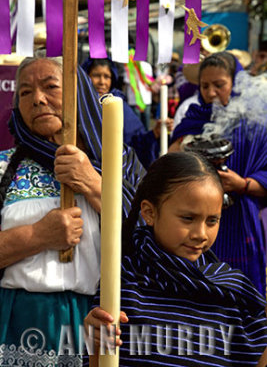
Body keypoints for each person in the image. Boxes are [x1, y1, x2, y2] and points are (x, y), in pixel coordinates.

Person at [0, 54, 146, 365]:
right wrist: (37, 235)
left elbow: (154, 237)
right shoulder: (3, 167)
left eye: (50, 86)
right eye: (25, 92)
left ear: (78, 92)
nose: (38, 99)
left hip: (100, 323)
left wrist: (95, 184)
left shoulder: (119, 163)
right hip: (15, 321)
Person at [84, 152, 267, 367]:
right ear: (149, 213)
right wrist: (96, 343)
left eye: (212, 221)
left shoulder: (232, 290)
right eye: (188, 218)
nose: (200, 233)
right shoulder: (122, 285)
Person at [169, 51, 267, 296]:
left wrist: (243, 184)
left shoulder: (257, 123)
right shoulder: (194, 118)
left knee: (243, 295)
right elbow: (169, 163)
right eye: (204, 85)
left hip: (241, 221)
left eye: (219, 85)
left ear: (235, 84)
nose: (211, 92)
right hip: (195, 218)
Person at [81, 57, 173, 169]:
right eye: (96, 75)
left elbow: (134, 143)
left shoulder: (119, 104)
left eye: (107, 77)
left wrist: (155, 133)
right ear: (86, 77)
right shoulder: (79, 104)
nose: (102, 82)